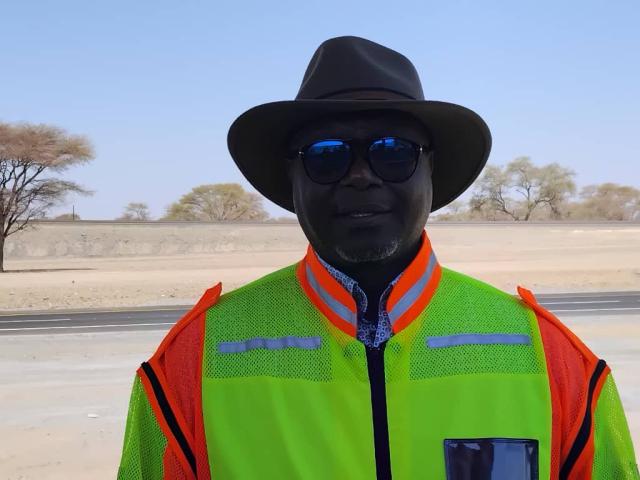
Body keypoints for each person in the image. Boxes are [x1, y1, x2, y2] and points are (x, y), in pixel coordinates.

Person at [117, 36, 638, 480]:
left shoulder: (553, 359)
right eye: (326, 154)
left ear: (430, 172)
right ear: (291, 180)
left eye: (393, 150)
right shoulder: (192, 360)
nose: (360, 175)